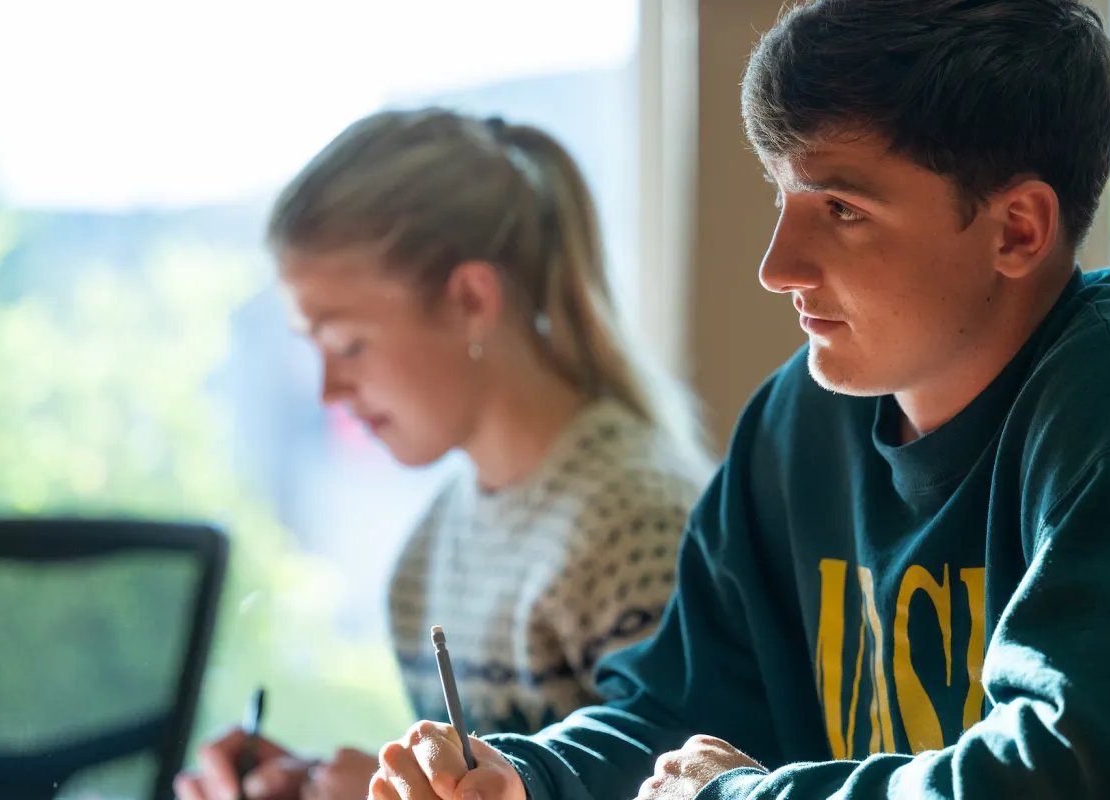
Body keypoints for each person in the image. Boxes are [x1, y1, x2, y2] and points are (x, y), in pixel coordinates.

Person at [363, 1, 1110, 798]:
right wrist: (526, 778)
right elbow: (677, 706)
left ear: (1017, 228)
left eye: (838, 209)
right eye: (781, 196)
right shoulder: (803, 419)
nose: (775, 264)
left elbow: (1065, 777)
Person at [173, 108, 714, 800]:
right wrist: (314, 783)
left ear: (469, 298)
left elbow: (689, 786)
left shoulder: (636, 525)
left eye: (349, 345)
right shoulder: (430, 552)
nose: (330, 388)